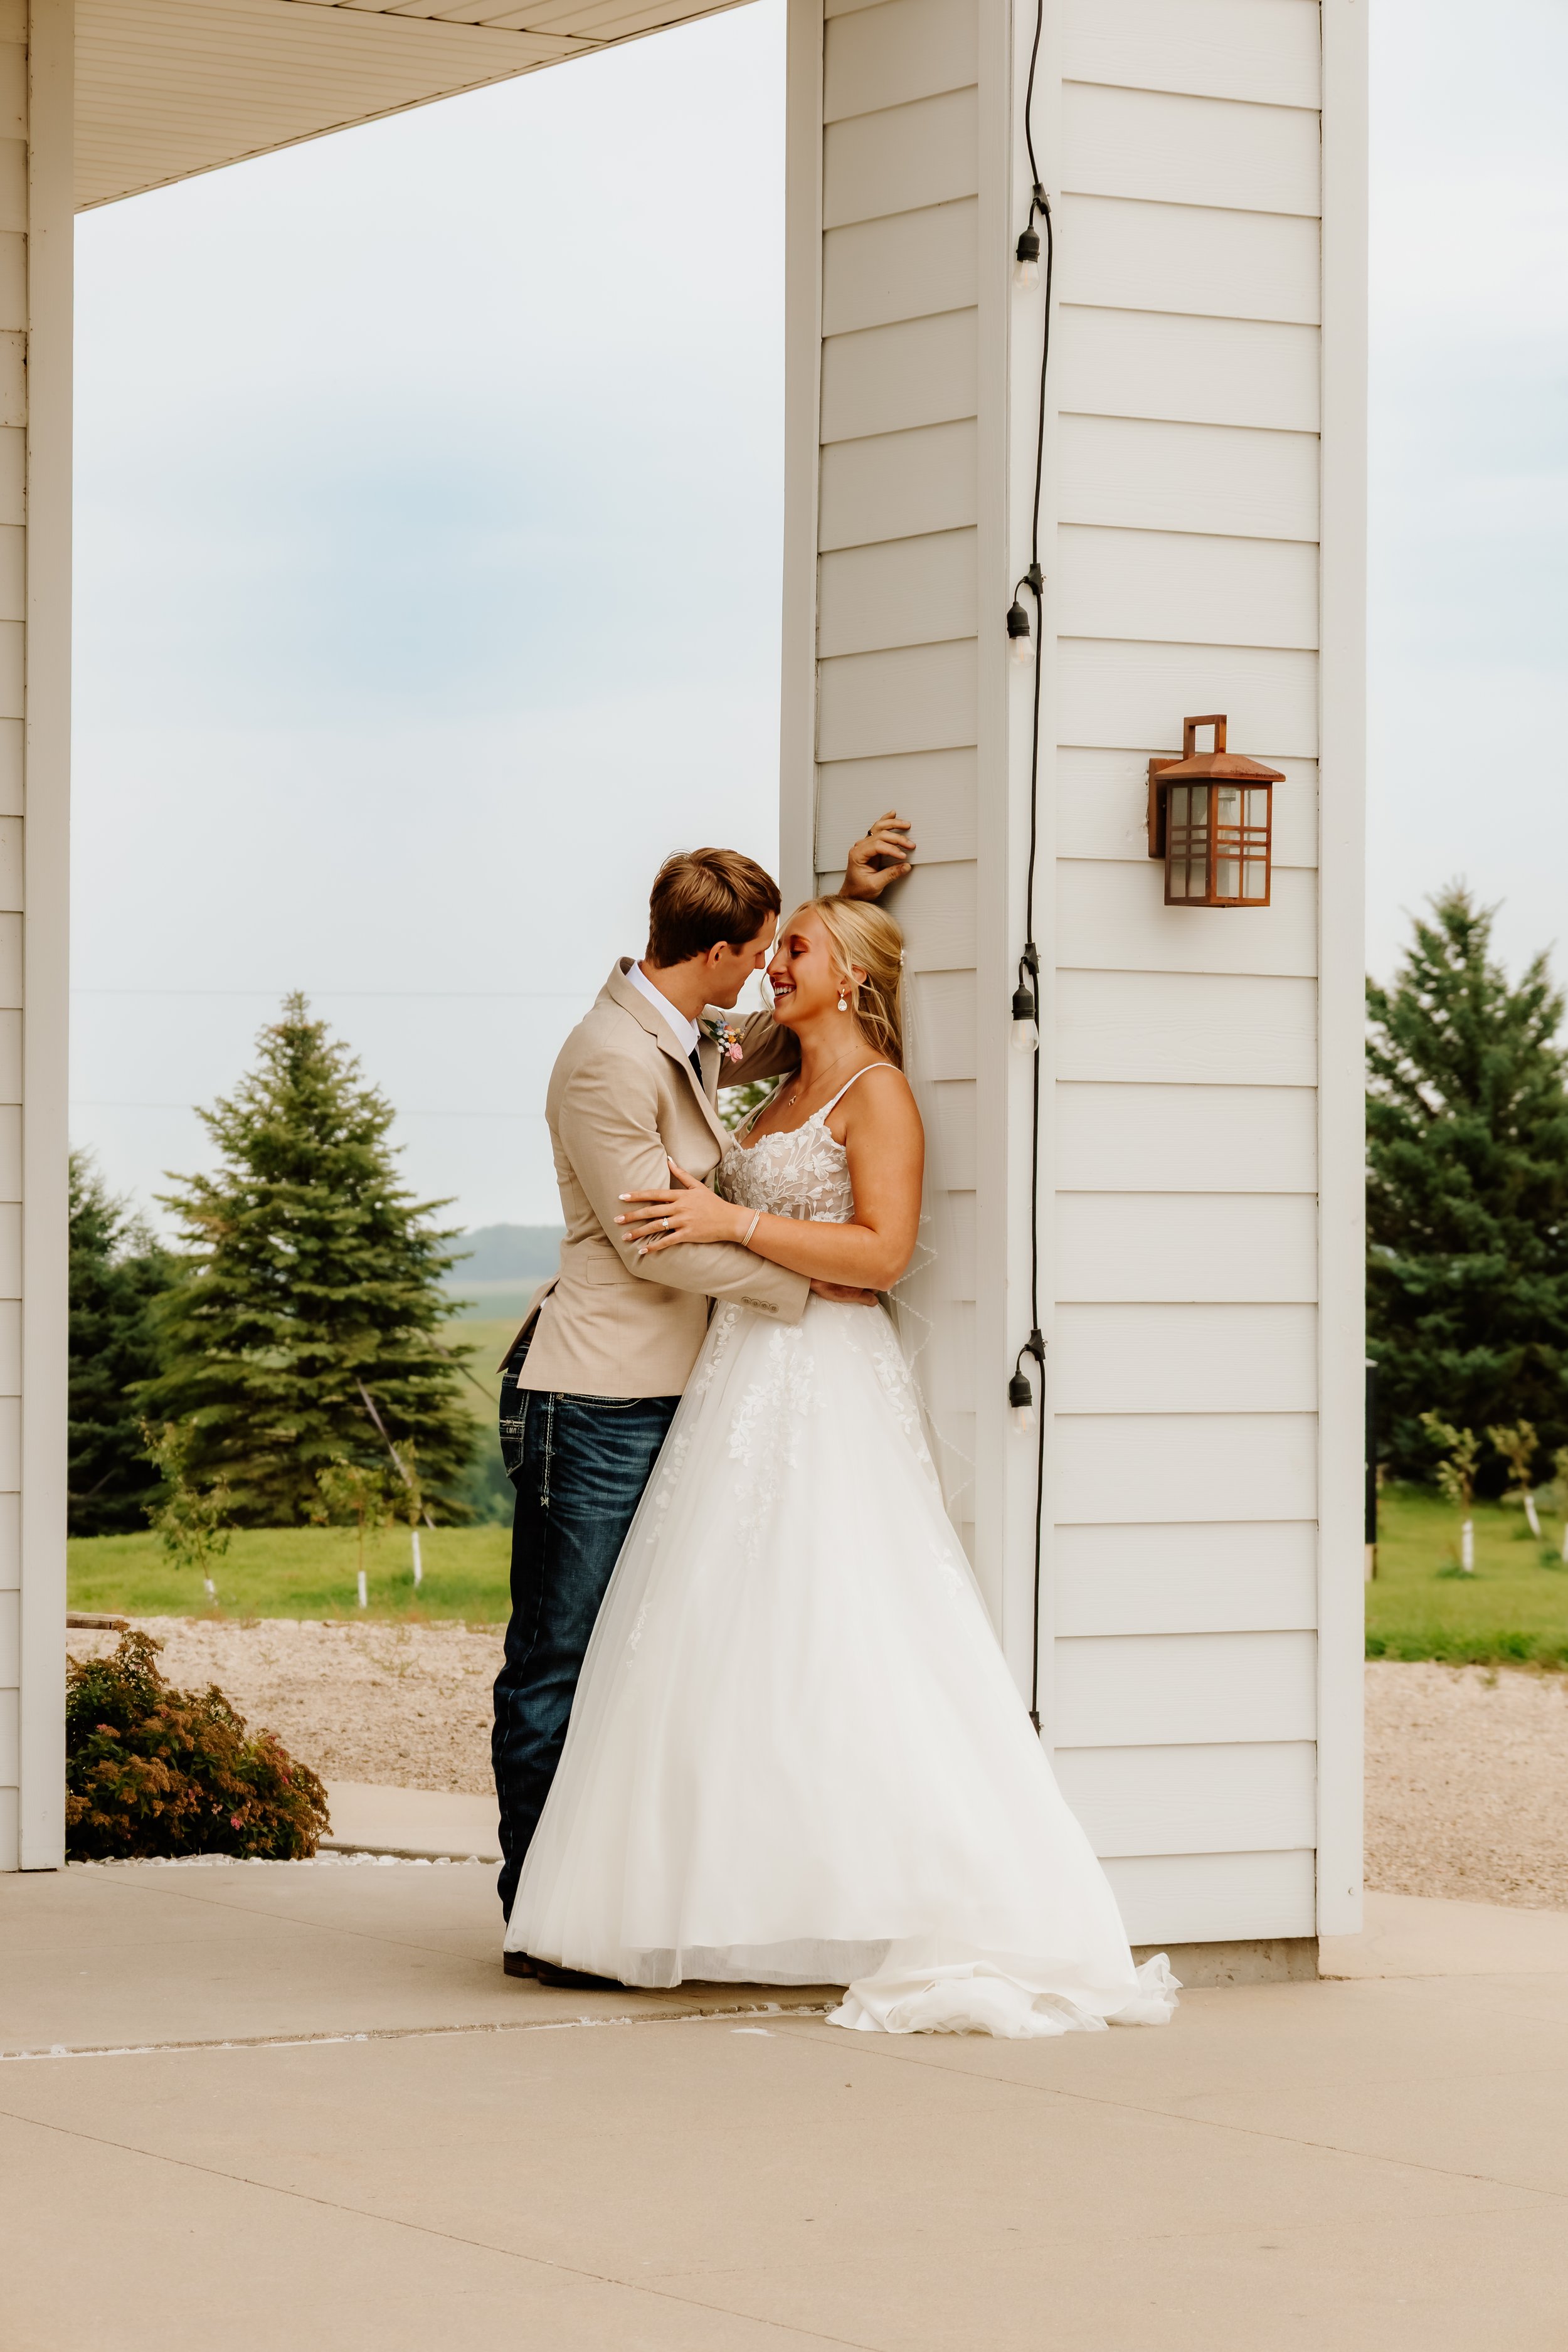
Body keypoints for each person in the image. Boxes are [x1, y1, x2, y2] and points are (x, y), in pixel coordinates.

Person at [504, 894, 1179, 2039]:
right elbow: (733, 1004)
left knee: (846, 1622)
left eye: (796, 950)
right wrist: (846, 880)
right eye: (765, 950)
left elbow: (881, 1252)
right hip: (735, 1376)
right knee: (711, 1641)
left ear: (850, 976)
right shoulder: (771, 1084)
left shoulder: (879, 1096)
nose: (773, 967)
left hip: (822, 1377)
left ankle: (908, 1885)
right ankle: (699, 1893)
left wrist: (737, 1220)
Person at [492, 816, 915, 1942]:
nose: (773, 972)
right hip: (591, 1395)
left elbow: (808, 1018)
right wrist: (808, 1290)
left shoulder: (686, 1031)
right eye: (764, 950)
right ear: (724, 953)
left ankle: (612, 1894)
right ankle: (536, 1909)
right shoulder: (608, 1056)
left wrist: (842, 901)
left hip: (683, 1391)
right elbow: (650, 1240)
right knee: (558, 1658)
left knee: (651, 1652)